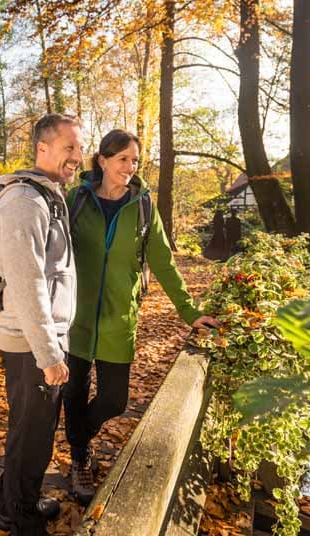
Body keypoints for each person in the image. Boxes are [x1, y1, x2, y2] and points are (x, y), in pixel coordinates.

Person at [64, 129, 220, 505]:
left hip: (119, 319)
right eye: (123, 160)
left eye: (135, 161)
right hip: (73, 318)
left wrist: (190, 312)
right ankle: (80, 460)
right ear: (102, 160)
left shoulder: (144, 206)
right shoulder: (76, 200)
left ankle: (77, 439)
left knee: (114, 400)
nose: (130, 168)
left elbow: (164, 263)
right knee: (74, 392)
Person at [0, 113, 84, 535]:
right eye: (69, 148)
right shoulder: (23, 202)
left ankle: (14, 493)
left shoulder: (44, 196)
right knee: (33, 435)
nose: (78, 157)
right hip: (31, 342)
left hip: (39, 337)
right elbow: (27, 284)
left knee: (30, 428)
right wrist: (49, 353)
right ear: (42, 148)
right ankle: (19, 517)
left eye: (80, 148)